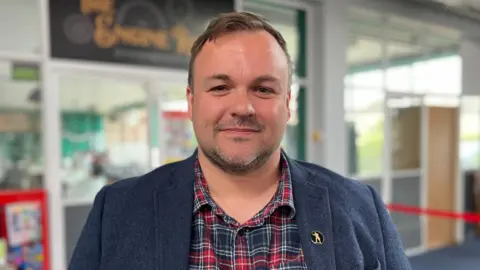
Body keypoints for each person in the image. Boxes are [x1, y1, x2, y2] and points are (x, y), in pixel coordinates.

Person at [69, 12, 411, 270]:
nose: (242, 107)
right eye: (220, 87)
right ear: (191, 102)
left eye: (263, 89)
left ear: (287, 104)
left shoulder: (360, 207)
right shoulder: (116, 210)